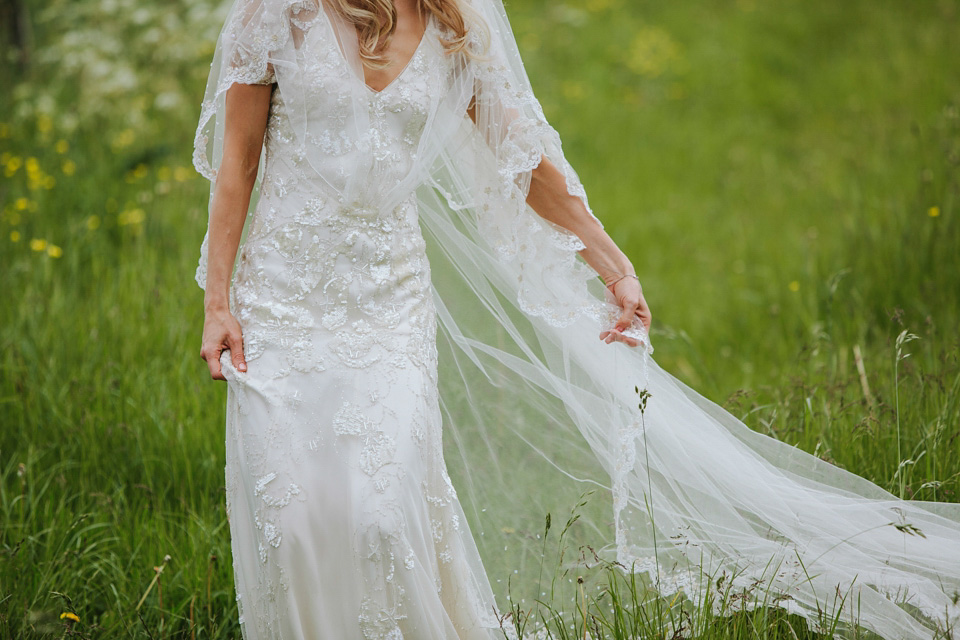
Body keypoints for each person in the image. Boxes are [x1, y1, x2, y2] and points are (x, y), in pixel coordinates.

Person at [194, 0, 960, 638]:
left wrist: (611, 261)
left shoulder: (455, 25)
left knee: (381, 518)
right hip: (282, 302)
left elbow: (521, 161)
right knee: (295, 525)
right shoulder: (275, 16)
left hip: (388, 302)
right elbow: (240, 162)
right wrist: (218, 302)